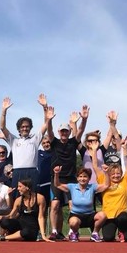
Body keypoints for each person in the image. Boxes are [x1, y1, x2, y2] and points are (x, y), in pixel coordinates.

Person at [46, 102, 88, 240]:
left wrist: (84, 119)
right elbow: (49, 131)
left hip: (71, 179)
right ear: (59, 132)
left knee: (72, 205)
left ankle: (72, 231)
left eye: (66, 131)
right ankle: (54, 231)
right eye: (62, 131)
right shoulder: (54, 141)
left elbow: (80, 130)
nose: (64, 133)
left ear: (69, 132)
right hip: (57, 178)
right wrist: (49, 119)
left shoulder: (73, 142)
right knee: (55, 204)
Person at [0, 95, 49, 191]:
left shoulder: (35, 138)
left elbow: (46, 124)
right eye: (22, 127)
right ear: (19, 129)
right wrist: (4, 111)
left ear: (30, 128)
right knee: (17, 200)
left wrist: (44, 107)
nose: (25, 128)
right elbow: (2, 127)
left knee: (33, 199)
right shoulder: (13, 140)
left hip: (32, 172)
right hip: (17, 173)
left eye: (27, 126)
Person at [94, 136, 127, 242]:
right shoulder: (104, 181)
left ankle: (122, 230)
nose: (115, 175)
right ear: (109, 174)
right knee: (108, 238)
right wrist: (95, 150)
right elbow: (95, 166)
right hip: (109, 215)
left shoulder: (125, 181)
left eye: (118, 173)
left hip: (122, 215)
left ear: (121, 174)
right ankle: (114, 231)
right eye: (113, 173)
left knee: (126, 226)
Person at [53, 166, 109, 242]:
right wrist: (56, 174)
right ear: (77, 178)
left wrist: (106, 172)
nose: (82, 179)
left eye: (85, 177)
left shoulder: (92, 187)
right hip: (76, 216)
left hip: (90, 216)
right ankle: (75, 233)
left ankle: (95, 233)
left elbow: (106, 185)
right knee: (73, 222)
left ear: (89, 179)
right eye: (80, 176)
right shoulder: (72, 187)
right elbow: (57, 185)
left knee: (103, 215)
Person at [0, 178, 52, 242]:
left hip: (31, 229)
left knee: (26, 232)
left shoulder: (40, 198)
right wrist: (2, 217)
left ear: (27, 187)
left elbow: (41, 217)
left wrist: (43, 235)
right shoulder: (18, 200)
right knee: (5, 222)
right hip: (20, 226)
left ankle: (1, 238)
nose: (18, 189)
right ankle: (2, 236)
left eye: (20, 186)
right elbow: (11, 216)